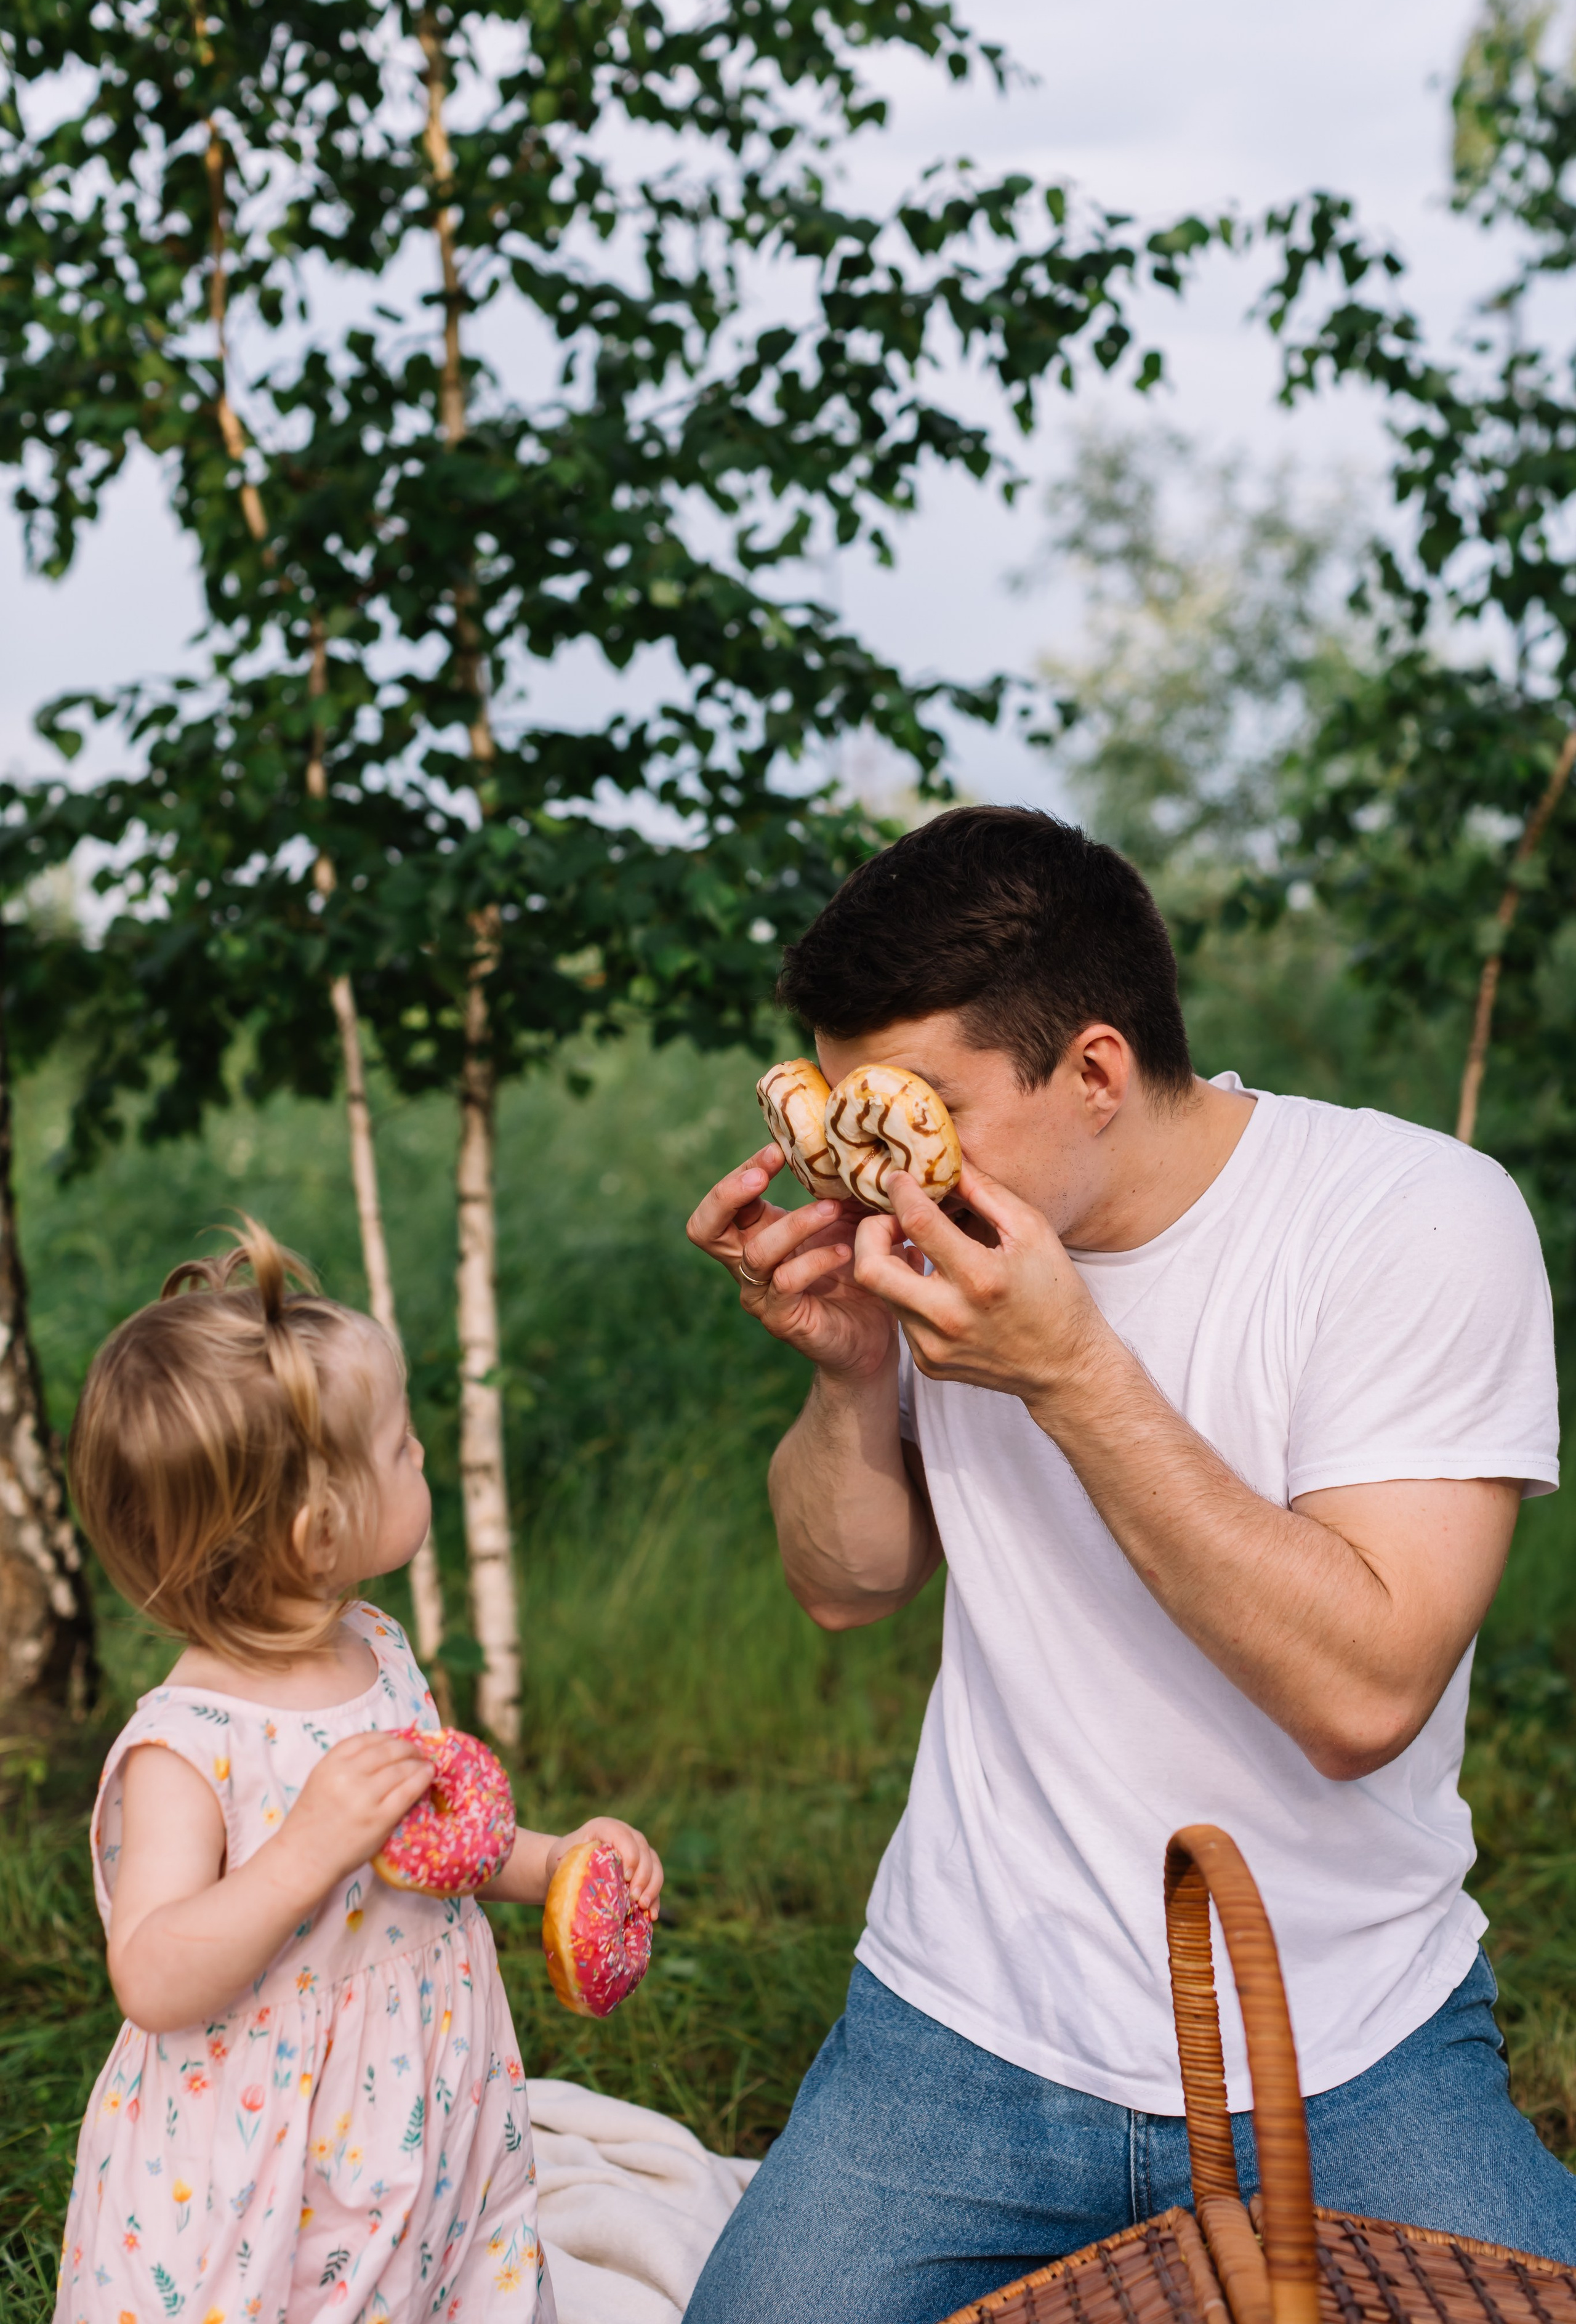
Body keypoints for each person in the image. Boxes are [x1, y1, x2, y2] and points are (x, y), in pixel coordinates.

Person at [683, 806, 1576, 2324]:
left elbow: (1362, 1695)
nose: (876, 1171)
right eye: (843, 1116)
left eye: (922, 1108)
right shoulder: (952, 1234)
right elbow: (844, 1584)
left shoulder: (1411, 1220)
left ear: (1094, 1069)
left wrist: (1071, 1372)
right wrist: (846, 1375)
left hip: (1345, 2035)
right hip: (956, 2022)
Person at [55, 1221, 662, 2324]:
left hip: (423, 2088)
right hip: (261, 2150)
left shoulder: (375, 1648)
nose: (422, 1454)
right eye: (398, 1446)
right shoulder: (187, 1745)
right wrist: (300, 1854)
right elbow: (151, 1973)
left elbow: (435, 1852)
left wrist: (563, 1861)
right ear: (313, 1530)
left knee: (442, 2263)